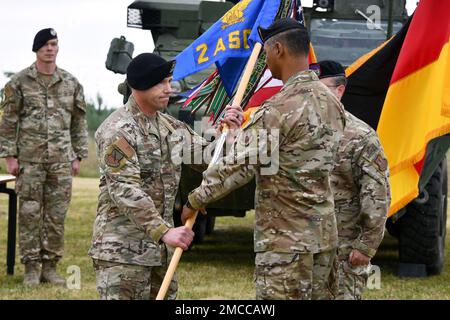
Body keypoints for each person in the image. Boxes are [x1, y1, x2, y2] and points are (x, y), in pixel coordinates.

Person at [181, 18, 346, 300]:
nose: (265, 60)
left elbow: (242, 166)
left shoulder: (278, 108)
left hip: (285, 241)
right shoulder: (333, 103)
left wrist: (195, 199)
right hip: (323, 237)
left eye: (266, 52)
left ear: (279, 49)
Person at [89, 52, 243, 300]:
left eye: (170, 82)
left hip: (160, 251)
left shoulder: (170, 126)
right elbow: (125, 190)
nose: (169, 89)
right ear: (140, 85)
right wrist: (163, 231)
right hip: (123, 254)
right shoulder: (118, 130)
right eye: (161, 83)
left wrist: (229, 135)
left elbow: (207, 158)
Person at [0, 28, 88, 287]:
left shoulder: (71, 83)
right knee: (29, 214)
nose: (50, 48)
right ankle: (30, 267)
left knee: (56, 215)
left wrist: (78, 155)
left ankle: (50, 266)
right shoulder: (18, 83)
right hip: (29, 161)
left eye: (54, 44)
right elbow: (8, 122)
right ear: (36, 49)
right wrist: (9, 156)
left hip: (61, 160)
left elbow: (78, 122)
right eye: (45, 44)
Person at [312, 60, 391, 299]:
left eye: (321, 88)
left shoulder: (360, 137)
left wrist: (366, 246)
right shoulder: (298, 131)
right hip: (304, 247)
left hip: (343, 249)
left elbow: (377, 194)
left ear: (340, 90)